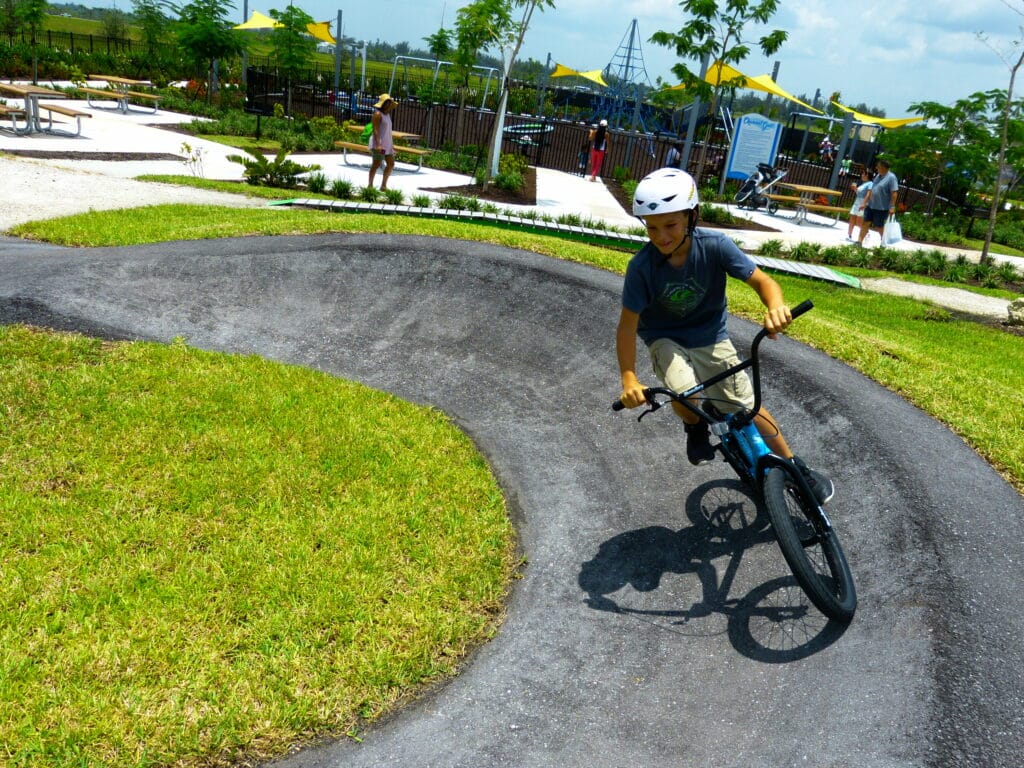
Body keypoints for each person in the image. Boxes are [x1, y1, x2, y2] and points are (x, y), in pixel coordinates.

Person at [615, 168, 833, 503]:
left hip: (709, 335)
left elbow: (763, 282)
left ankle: (795, 467)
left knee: (746, 405)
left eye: (670, 225)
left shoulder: (715, 246)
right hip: (664, 338)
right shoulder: (641, 268)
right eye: (652, 227)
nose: (661, 236)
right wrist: (630, 379)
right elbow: (628, 327)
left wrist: (775, 306)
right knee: (684, 392)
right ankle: (694, 426)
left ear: (692, 216)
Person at [857, 158, 899, 247]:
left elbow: (894, 193)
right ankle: (859, 242)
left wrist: (892, 207)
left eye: (878, 167)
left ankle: (884, 243)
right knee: (865, 223)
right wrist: (864, 203)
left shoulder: (891, 177)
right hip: (871, 205)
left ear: (884, 167)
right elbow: (872, 190)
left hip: (881, 207)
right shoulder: (878, 176)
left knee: (879, 226)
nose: (876, 168)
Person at [368, 93, 397, 190]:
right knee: (376, 164)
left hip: (387, 145)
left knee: (391, 164)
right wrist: (378, 145)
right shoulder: (377, 114)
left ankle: (383, 185)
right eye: (386, 102)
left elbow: (388, 132)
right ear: (382, 103)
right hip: (379, 145)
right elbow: (375, 130)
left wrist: (391, 146)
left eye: (389, 102)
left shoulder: (387, 115)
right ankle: (370, 185)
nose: (388, 104)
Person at [847, 168, 873, 241]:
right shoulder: (863, 183)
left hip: (863, 203)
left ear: (867, 175)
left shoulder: (870, 184)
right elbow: (859, 194)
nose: (861, 175)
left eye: (863, 174)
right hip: (857, 202)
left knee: (859, 221)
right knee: (852, 218)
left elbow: (868, 194)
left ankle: (866, 232)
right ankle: (849, 235)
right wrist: (855, 189)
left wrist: (864, 203)